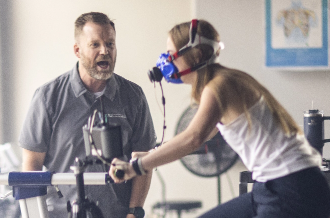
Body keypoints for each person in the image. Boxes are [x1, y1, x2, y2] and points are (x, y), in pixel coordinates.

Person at [110, 19, 330, 218]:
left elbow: (193, 138)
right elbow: (202, 135)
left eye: (170, 52)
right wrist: (152, 155)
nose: (165, 60)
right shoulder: (224, 80)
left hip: (291, 187)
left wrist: (137, 166)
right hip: (274, 186)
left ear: (196, 55)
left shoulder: (219, 86)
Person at [19, 12, 156, 218]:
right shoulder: (48, 97)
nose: (105, 51)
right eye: (95, 45)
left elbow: (144, 160)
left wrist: (133, 212)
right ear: (77, 50)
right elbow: (31, 164)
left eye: (110, 44)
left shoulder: (133, 97)